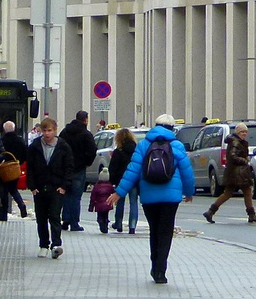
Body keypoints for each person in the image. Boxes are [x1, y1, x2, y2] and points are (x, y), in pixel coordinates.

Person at [107, 113, 196, 285]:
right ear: (172, 128)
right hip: (171, 197)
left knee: (154, 230)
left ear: (155, 125)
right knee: (165, 232)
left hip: (148, 196)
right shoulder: (176, 146)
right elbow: (187, 172)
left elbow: (132, 171)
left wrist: (119, 192)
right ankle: (160, 270)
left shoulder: (143, 145)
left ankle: (154, 264)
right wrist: (189, 192)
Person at [25, 116, 74, 260]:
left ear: (55, 130)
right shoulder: (35, 146)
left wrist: (64, 186)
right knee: (41, 218)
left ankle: (56, 245)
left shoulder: (63, 147)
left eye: (50, 130)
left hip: (56, 186)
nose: (47, 134)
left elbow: (69, 167)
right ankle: (43, 245)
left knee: (54, 216)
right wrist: (32, 186)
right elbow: (30, 168)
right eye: (45, 131)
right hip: (39, 187)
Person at [203, 123, 256, 224]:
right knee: (241, 192)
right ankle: (251, 215)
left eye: (245, 132)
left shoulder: (237, 141)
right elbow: (232, 156)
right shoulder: (236, 142)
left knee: (235, 193)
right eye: (242, 132)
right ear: (238, 132)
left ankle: (211, 211)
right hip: (238, 172)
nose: (244, 134)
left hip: (235, 172)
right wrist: (244, 160)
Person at [58, 110, 98, 232]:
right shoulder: (86, 134)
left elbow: (59, 147)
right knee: (76, 196)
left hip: (65, 168)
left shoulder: (64, 132)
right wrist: (87, 162)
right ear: (85, 120)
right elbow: (92, 150)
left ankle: (65, 220)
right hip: (79, 168)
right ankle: (74, 223)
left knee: (66, 194)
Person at [108, 127, 139, 234]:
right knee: (133, 203)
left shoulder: (118, 151)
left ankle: (119, 224)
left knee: (120, 202)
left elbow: (113, 168)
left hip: (120, 181)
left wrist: (112, 182)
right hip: (134, 181)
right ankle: (132, 226)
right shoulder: (137, 151)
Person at [0, 120, 28, 221]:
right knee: (13, 189)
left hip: (3, 168)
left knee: (4, 191)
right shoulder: (20, 140)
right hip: (15, 168)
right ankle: (21, 204)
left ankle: (3, 214)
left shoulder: (1, 140)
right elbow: (25, 155)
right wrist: (18, 163)